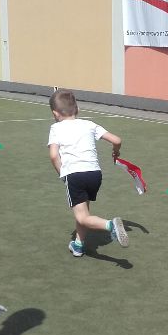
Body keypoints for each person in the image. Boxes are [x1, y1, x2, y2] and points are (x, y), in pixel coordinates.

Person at [47, 89, 129, 257]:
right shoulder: (89, 124)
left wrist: (63, 174)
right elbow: (117, 140)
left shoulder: (56, 128)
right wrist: (116, 151)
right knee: (83, 211)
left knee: (82, 217)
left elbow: (54, 155)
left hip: (75, 175)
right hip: (94, 174)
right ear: (77, 109)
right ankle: (78, 245)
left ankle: (111, 225)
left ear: (55, 113)